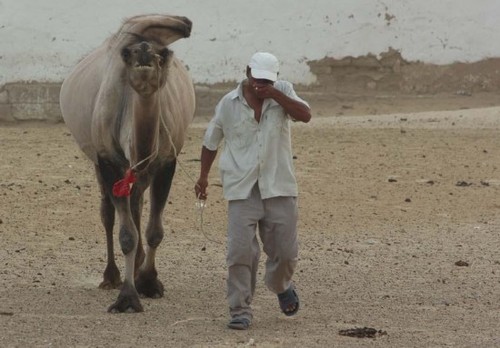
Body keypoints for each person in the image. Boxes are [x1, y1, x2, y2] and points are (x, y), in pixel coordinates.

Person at [194, 52, 311, 330]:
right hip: (241, 188)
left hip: (278, 184)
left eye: (267, 80)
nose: (261, 85)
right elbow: (211, 141)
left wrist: (276, 94)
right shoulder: (228, 104)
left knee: (285, 251)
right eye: (257, 79)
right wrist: (203, 178)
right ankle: (240, 309)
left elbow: (305, 115)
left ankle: (281, 285)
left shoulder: (283, 93)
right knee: (240, 252)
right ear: (247, 72)